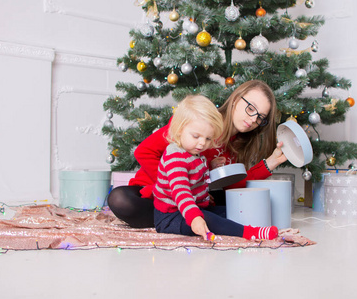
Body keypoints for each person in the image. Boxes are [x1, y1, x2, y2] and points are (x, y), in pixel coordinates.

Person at [108, 80, 287, 228]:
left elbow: (235, 186)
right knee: (120, 199)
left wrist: (271, 162)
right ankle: (184, 219)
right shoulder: (198, 120)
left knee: (232, 203)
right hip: (156, 191)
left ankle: (183, 219)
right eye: (251, 108)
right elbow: (145, 151)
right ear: (235, 100)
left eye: (260, 117)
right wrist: (175, 188)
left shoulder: (237, 146)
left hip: (192, 199)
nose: (253, 119)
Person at [153, 95, 278, 241]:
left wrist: (210, 166)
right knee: (209, 220)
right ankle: (250, 233)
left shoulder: (194, 153)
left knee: (229, 212)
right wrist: (195, 218)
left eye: (207, 139)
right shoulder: (175, 157)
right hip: (171, 216)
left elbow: (195, 174)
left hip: (196, 207)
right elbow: (181, 192)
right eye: (196, 136)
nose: (202, 144)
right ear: (180, 130)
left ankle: (251, 225)